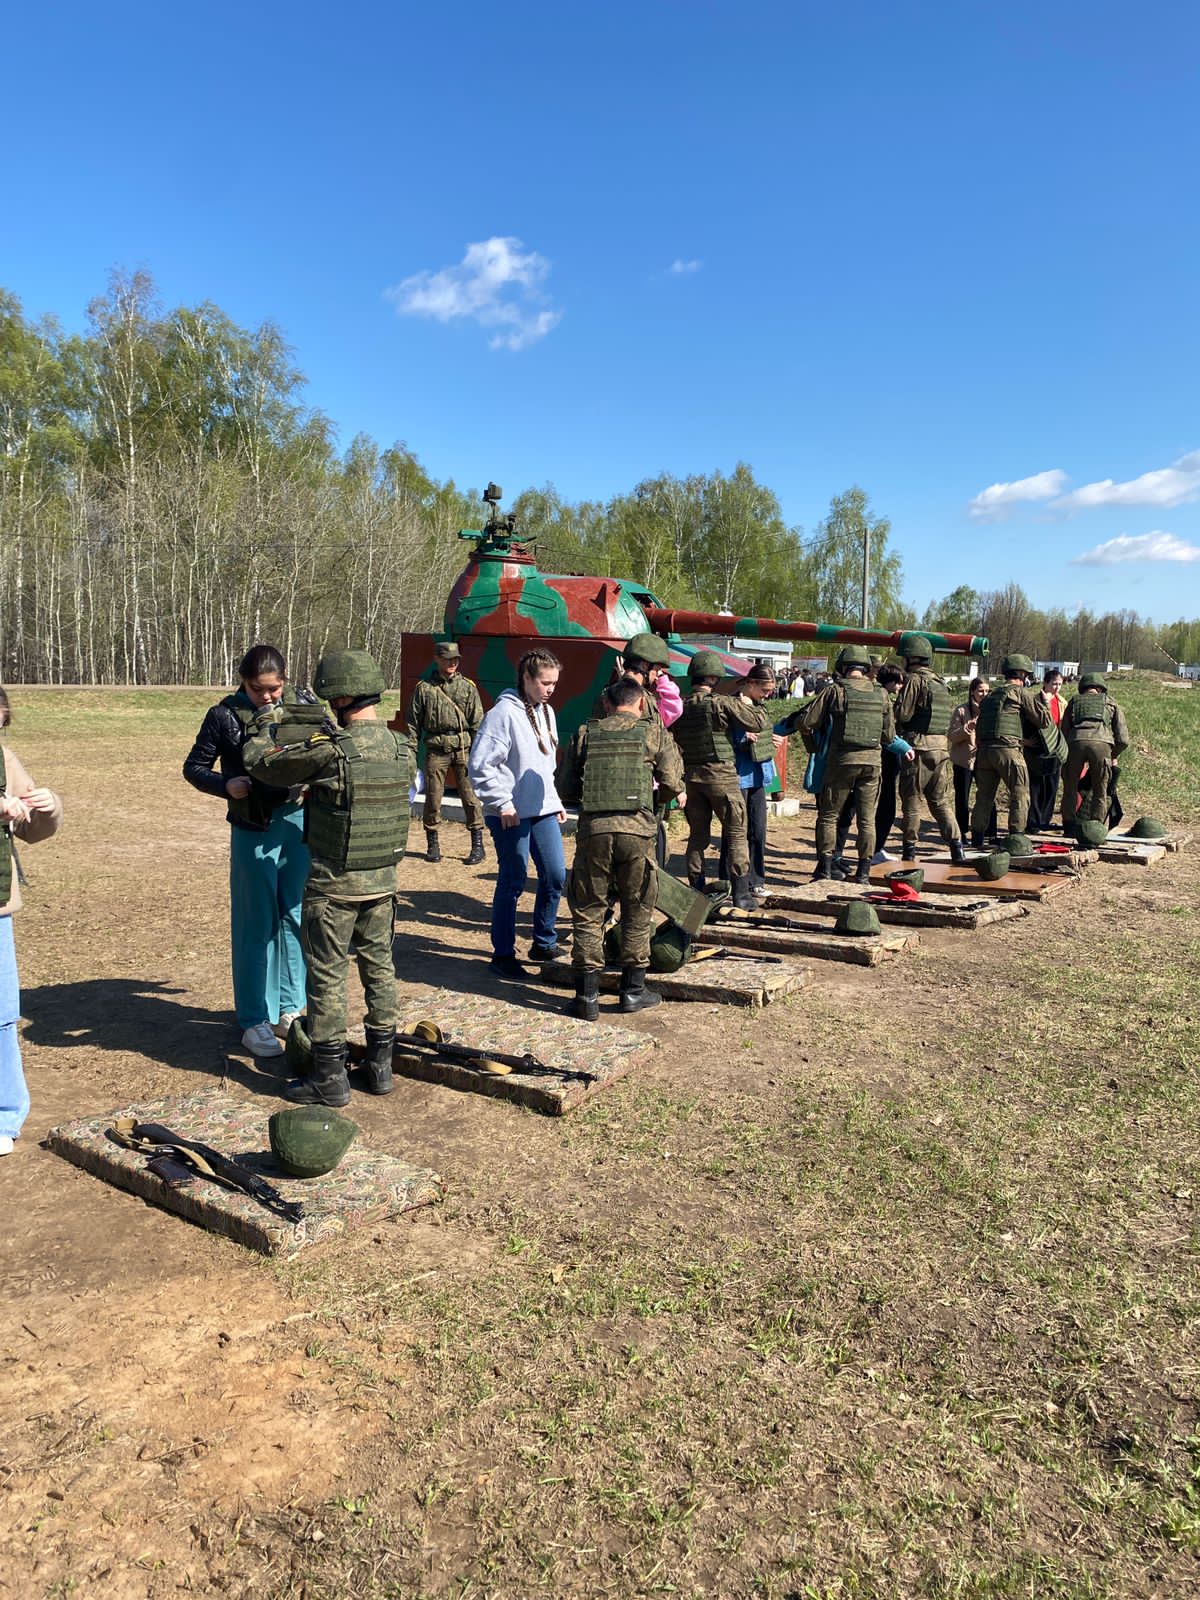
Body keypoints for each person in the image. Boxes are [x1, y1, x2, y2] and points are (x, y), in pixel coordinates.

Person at [243, 650, 413, 1107]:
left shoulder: (331, 751)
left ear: (339, 698)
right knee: (380, 969)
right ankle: (380, 1067)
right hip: (383, 884)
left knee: (327, 977)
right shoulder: (403, 748)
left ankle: (329, 1077)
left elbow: (262, 764)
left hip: (334, 887)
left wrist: (264, 723)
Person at [183, 644, 309, 1059]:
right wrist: (225, 785)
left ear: (285, 679)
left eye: (274, 688)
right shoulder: (223, 716)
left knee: (294, 916)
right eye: (258, 690)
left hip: (298, 824)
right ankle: (255, 1018)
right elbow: (194, 767)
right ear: (243, 683)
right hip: (254, 827)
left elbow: (327, 749)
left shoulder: (302, 706)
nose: (267, 697)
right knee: (256, 922)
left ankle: (290, 1008)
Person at [557, 678, 684, 1019]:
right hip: (638, 833)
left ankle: (586, 998)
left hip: (594, 833)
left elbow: (565, 786)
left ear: (607, 704)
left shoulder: (585, 733)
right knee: (637, 908)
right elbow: (672, 782)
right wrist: (653, 805)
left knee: (589, 910)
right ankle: (632, 991)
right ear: (642, 703)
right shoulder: (654, 733)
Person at [468, 648, 567, 978]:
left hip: (542, 809)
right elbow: (480, 765)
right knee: (513, 879)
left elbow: (544, 766)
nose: (550, 689)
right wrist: (502, 803)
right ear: (526, 677)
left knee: (555, 874)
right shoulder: (502, 714)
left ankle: (544, 941)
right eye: (544, 682)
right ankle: (503, 954)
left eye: (554, 683)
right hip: (509, 812)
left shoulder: (547, 712)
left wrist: (554, 800)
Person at [1, 689, 63, 1156]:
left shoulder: (4, 759)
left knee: (2, 1017)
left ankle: (5, 1115)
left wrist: (47, 807)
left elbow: (32, 829)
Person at [798, 645, 913, 883]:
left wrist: (814, 748)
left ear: (842, 667)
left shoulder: (835, 690)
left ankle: (825, 869)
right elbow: (888, 736)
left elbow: (807, 722)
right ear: (866, 667)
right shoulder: (881, 694)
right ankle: (863, 873)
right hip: (872, 763)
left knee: (829, 816)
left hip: (841, 761)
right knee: (866, 819)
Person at [672, 650, 772, 909]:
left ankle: (696, 892)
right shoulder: (721, 703)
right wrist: (751, 702)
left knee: (697, 838)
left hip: (691, 778)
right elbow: (757, 723)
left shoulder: (681, 704)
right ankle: (741, 894)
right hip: (722, 777)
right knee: (737, 833)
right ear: (714, 678)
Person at [593, 633, 682, 866]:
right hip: (640, 795)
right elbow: (671, 712)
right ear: (644, 665)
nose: (658, 675)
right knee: (643, 866)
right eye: (657, 670)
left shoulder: (606, 695)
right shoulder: (644, 701)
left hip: (605, 791)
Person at [406, 640, 486, 865]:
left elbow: (477, 723)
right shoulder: (424, 689)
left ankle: (478, 845)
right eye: (448, 659)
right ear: (437, 659)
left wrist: (479, 755)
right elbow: (413, 725)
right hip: (436, 749)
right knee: (433, 798)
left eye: (456, 659)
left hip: (462, 749)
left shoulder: (467, 687)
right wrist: (411, 754)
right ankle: (432, 844)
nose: (452, 663)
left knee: (470, 798)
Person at [892, 637, 967, 863]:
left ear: (911, 658)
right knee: (940, 801)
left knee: (912, 801)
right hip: (941, 748)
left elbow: (902, 714)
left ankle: (909, 850)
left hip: (918, 748)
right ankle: (957, 846)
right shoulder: (939, 682)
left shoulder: (915, 680)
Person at [970, 654, 1052, 845]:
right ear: (1022, 673)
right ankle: (1016, 837)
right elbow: (1044, 721)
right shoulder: (1020, 692)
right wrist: (1045, 702)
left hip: (985, 752)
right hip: (1008, 751)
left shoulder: (990, 697)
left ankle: (977, 838)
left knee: (984, 797)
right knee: (1020, 794)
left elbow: (980, 727)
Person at [833, 663, 905, 869]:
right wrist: (904, 746)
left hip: (873, 762)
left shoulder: (879, 696)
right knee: (853, 813)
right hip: (871, 761)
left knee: (862, 814)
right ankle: (841, 859)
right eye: (898, 683)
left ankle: (864, 854)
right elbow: (887, 735)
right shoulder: (877, 697)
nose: (900, 687)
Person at [719, 663, 778, 893]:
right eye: (764, 690)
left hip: (758, 776)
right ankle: (728, 882)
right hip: (737, 776)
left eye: (770, 690)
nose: (768, 694)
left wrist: (770, 739)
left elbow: (764, 730)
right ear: (751, 683)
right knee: (734, 832)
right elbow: (722, 738)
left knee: (758, 831)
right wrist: (743, 739)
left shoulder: (759, 706)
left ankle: (756, 881)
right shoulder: (729, 704)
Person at [1060, 673, 1130, 838]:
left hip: (1075, 742)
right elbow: (1123, 739)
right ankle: (1095, 829)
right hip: (1101, 744)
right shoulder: (1110, 702)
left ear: (1082, 688)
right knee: (1100, 789)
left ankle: (1069, 827)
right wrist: (1113, 754)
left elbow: (1063, 732)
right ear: (1101, 688)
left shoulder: (1074, 701)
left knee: (1070, 788)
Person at [948, 676, 993, 838]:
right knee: (962, 798)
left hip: (985, 760)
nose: (984, 694)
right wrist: (967, 729)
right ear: (972, 692)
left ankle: (990, 831)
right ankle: (962, 831)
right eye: (980, 691)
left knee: (988, 795)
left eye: (987, 691)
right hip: (963, 761)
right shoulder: (961, 710)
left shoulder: (992, 710)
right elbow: (952, 736)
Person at [1027, 669, 1066, 832]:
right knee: (1036, 786)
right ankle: (1033, 821)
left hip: (1054, 749)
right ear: (1045, 683)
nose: (1057, 687)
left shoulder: (1062, 702)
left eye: (1060, 684)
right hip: (1036, 748)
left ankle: (1045, 820)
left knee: (1051, 786)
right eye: (1054, 684)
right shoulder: (1034, 700)